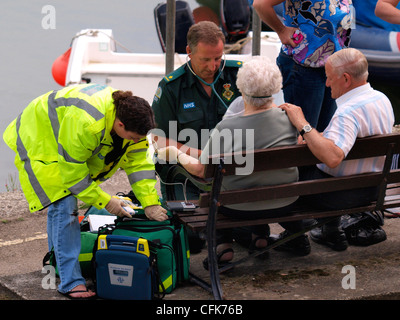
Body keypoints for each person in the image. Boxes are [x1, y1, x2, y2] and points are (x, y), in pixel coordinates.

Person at [3, 84, 167, 299]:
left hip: (67, 136)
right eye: (134, 137)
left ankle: (59, 268)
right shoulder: (87, 124)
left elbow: (140, 166)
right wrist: (106, 201)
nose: (137, 141)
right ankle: (71, 282)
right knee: (64, 204)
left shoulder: (134, 125)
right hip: (41, 136)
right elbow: (74, 178)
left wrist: (150, 203)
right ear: (120, 124)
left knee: (61, 208)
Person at [156, 56, 311, 269]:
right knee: (257, 180)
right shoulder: (291, 119)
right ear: (276, 87)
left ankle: (223, 246)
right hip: (284, 202)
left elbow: (201, 170)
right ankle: (260, 236)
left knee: (218, 188)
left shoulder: (226, 128)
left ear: (240, 87)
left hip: (238, 208)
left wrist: (176, 153)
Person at [279, 48, 394, 251]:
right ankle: (330, 231)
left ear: (346, 79)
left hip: (336, 195)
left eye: (330, 78)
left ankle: (295, 236)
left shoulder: (348, 112)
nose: (327, 83)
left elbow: (333, 158)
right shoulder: (382, 99)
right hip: (373, 188)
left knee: (281, 177)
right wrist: (317, 137)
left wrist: (302, 124)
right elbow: (348, 139)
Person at [151, 21, 242, 201]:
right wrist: (201, 156)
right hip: (185, 175)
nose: (212, 66)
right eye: (205, 60)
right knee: (192, 225)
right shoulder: (171, 88)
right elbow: (158, 139)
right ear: (189, 52)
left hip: (230, 171)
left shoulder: (238, 75)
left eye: (218, 58)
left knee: (241, 227)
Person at [252, 0, 353, 132]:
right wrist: (281, 30)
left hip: (333, 64)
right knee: (304, 135)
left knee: (326, 133)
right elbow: (260, 4)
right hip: (304, 65)